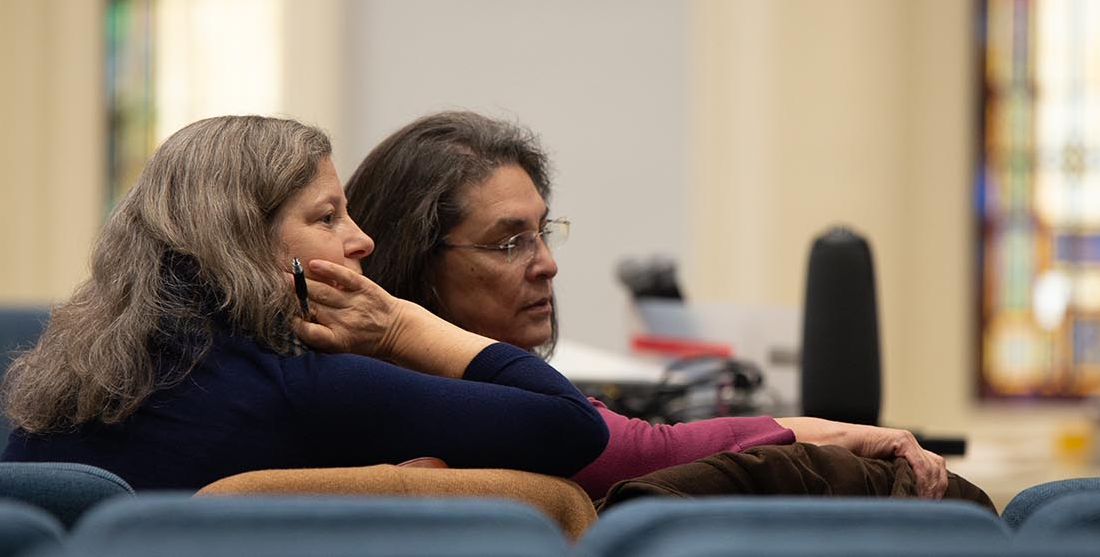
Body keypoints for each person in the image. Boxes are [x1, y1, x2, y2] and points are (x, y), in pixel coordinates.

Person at [343, 111, 949, 500]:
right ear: (415, 260)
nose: (547, 264)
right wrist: (842, 434)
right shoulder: (445, 404)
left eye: (543, 232)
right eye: (510, 242)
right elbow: (646, 452)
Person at [0, 116, 608, 490]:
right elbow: (571, 427)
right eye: (327, 217)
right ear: (240, 239)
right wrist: (398, 326)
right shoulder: (295, 385)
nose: (361, 239)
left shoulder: (75, 378)